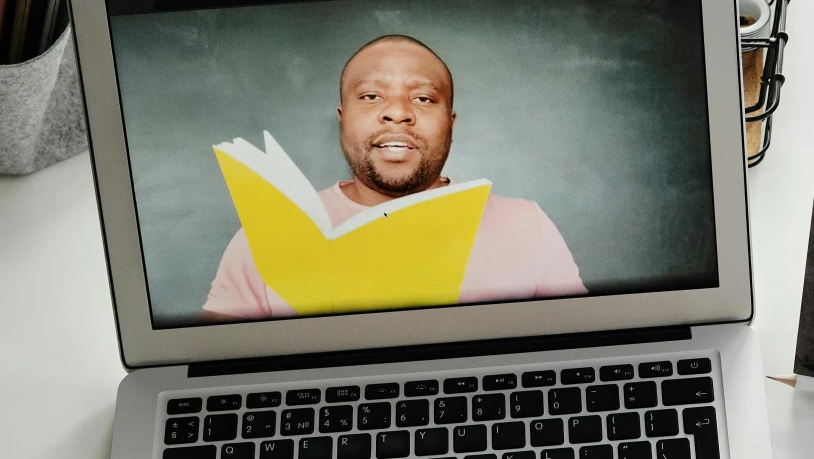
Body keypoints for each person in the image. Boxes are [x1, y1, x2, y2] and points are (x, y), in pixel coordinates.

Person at [202, 32, 586, 317]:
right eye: (371, 96)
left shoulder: (527, 226)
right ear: (342, 119)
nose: (398, 112)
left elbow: (585, 350)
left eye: (423, 98)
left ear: (450, 124)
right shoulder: (265, 233)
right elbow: (211, 369)